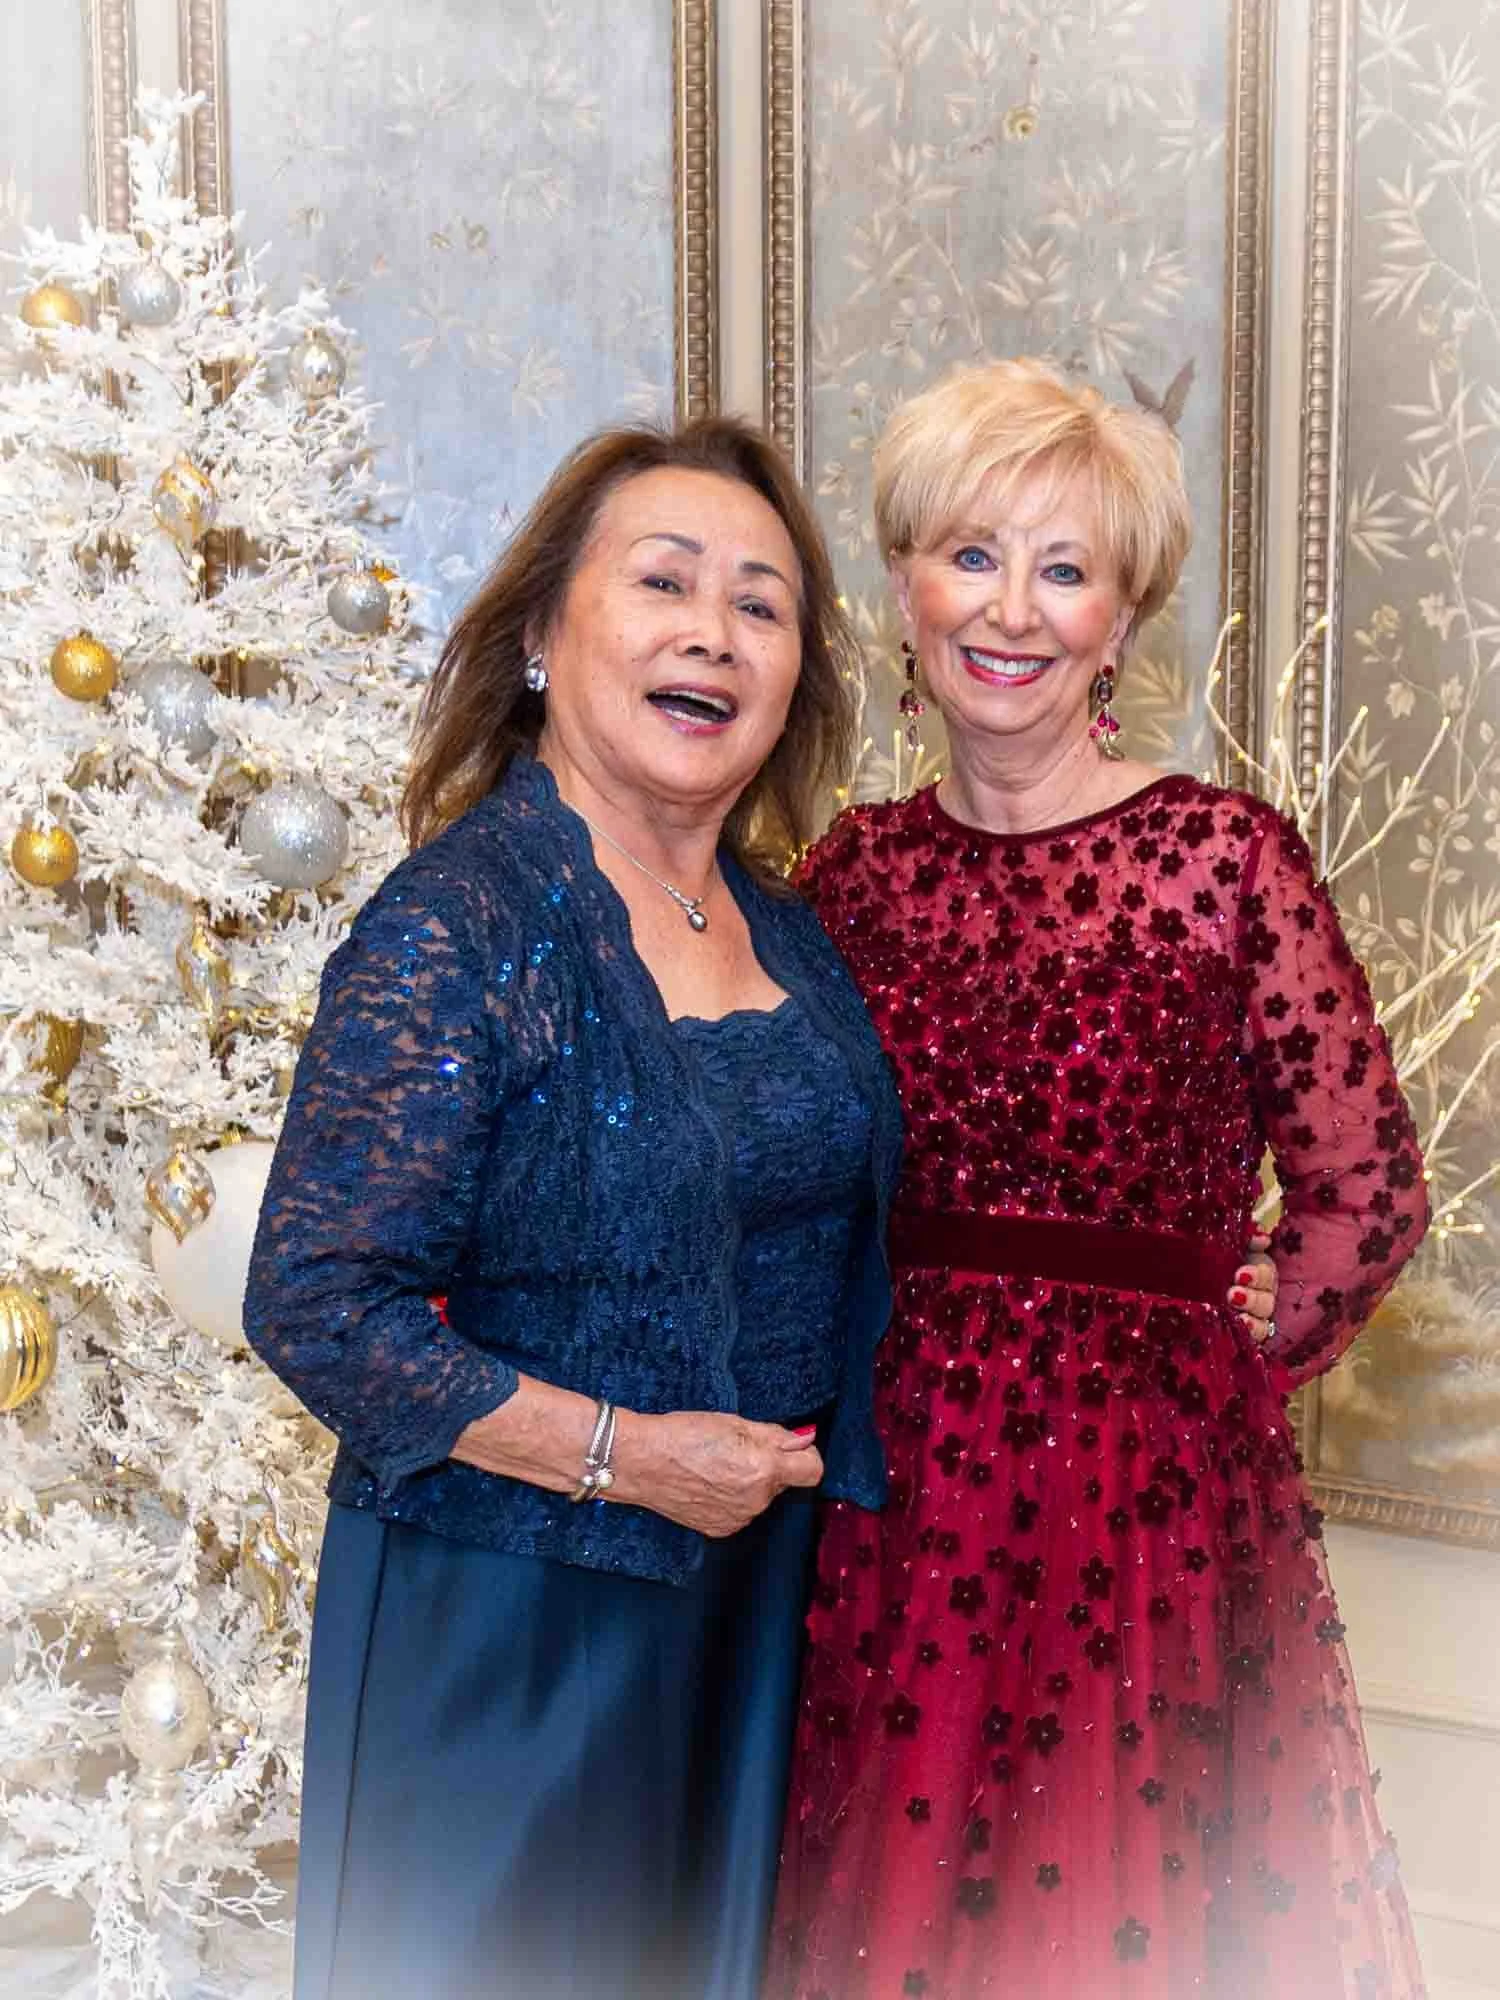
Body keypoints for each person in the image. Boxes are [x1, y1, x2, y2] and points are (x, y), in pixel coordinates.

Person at [769, 360, 1430, 2000]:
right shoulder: (849, 878)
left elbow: (1367, 1181)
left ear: (1120, 619)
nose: (1013, 609)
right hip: (900, 1495)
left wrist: (1240, 1346)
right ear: (907, 589)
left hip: (1149, 1503)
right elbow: (792, 1181)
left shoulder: (1224, 862)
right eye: (972, 555)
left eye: (1064, 569)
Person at [241, 416, 909, 2000]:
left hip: (747, 1618)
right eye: (664, 581)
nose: (713, 631)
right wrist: (628, 1459)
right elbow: (318, 1304)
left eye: (759, 604)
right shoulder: (455, 926)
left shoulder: (791, 935)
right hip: (510, 1629)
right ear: (544, 635)